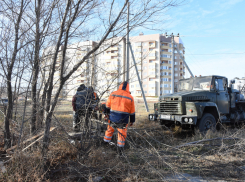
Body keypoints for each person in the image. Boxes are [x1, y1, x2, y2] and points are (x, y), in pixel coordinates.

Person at [103, 81, 135, 155]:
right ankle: (120, 151)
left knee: (109, 131)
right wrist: (132, 120)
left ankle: (105, 144)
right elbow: (132, 111)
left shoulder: (113, 94)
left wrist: (106, 114)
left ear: (120, 86)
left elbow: (107, 105)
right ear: (128, 87)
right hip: (123, 119)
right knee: (121, 134)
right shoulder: (130, 97)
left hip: (112, 117)